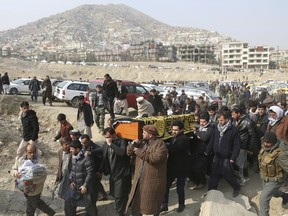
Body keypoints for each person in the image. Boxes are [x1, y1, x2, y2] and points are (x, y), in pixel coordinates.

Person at [126, 125, 168, 216]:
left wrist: (138, 151)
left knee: (149, 207)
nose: (142, 134)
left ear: (150, 135)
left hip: (152, 182)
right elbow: (129, 152)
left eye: (144, 132)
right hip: (140, 179)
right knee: (137, 205)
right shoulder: (142, 143)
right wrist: (133, 144)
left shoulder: (160, 144)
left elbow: (155, 158)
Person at [11, 143, 55, 216]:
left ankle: (50, 212)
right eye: (30, 152)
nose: (32, 154)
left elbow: (43, 177)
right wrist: (16, 173)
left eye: (34, 152)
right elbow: (13, 169)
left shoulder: (40, 162)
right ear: (26, 152)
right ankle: (50, 212)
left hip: (35, 190)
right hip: (24, 189)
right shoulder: (20, 160)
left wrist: (32, 182)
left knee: (30, 210)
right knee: (36, 202)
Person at [206, 110, 241, 197]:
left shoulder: (233, 130)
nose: (219, 122)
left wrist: (233, 157)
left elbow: (237, 145)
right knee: (214, 173)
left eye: (221, 120)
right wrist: (207, 151)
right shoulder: (216, 127)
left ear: (227, 119)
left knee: (227, 173)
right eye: (219, 120)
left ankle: (236, 187)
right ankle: (211, 191)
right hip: (217, 155)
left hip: (226, 156)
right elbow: (213, 140)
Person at [160, 121, 190, 213]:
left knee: (180, 188)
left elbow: (174, 149)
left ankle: (181, 204)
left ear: (181, 130)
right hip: (172, 167)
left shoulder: (183, 139)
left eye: (176, 130)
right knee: (166, 186)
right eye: (172, 130)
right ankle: (164, 204)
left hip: (181, 168)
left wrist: (162, 145)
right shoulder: (174, 137)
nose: (173, 132)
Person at [101, 127, 131, 216]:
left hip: (122, 173)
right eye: (106, 137)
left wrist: (111, 144)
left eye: (109, 137)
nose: (107, 139)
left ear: (114, 135)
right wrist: (90, 152)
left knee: (119, 195)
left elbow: (122, 152)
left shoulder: (122, 141)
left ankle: (120, 212)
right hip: (113, 173)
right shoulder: (107, 142)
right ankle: (123, 207)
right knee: (115, 193)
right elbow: (102, 150)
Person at [258, 132, 288, 216]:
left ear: (274, 142)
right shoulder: (265, 147)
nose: (266, 144)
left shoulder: (280, 154)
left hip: (275, 181)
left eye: (268, 142)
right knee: (274, 193)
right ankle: (285, 196)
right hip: (265, 178)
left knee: (263, 200)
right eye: (265, 142)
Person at [65, 139, 97, 216]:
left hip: (85, 188)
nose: (70, 150)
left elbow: (91, 173)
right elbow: (71, 171)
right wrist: (70, 181)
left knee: (90, 207)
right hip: (74, 186)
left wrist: (85, 185)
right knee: (68, 205)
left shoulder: (87, 159)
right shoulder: (73, 158)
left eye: (72, 149)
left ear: (78, 149)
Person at [231, 105, 257, 185]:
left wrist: (250, 148)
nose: (232, 116)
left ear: (239, 113)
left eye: (234, 114)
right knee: (242, 162)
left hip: (243, 145)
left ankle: (241, 180)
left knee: (240, 163)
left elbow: (253, 136)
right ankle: (244, 176)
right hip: (235, 144)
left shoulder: (248, 122)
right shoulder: (234, 121)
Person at [80, 134, 108, 202]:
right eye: (82, 143)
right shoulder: (83, 147)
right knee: (95, 182)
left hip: (96, 169)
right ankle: (101, 194)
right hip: (89, 168)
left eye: (85, 142)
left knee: (96, 182)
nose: (83, 144)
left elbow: (102, 160)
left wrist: (99, 171)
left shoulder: (96, 148)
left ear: (89, 141)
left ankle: (102, 194)